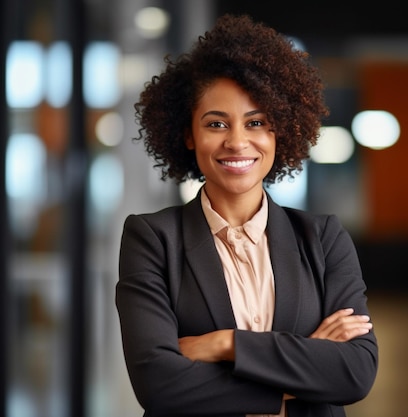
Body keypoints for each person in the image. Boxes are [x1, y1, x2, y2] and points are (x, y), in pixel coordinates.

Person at [115, 13, 378, 417]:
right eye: (216, 123)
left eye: (256, 123)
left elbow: (355, 373)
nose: (237, 142)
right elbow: (158, 385)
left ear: (280, 132)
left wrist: (225, 344)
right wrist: (306, 370)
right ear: (189, 134)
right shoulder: (152, 238)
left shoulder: (323, 238)